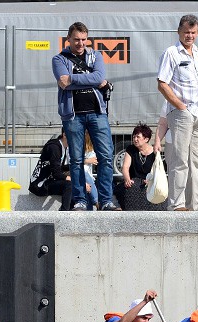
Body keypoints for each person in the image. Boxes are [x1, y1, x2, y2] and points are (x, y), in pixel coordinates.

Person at [52, 22, 118, 211]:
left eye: (83, 39)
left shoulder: (95, 55)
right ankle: (80, 200)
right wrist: (92, 81)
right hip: (73, 116)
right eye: (76, 40)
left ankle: (106, 201)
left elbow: (96, 78)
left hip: (97, 113)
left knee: (106, 157)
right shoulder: (59, 59)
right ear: (69, 40)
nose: (80, 43)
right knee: (77, 160)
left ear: (87, 39)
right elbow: (64, 83)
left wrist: (72, 79)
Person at [157, 14, 198, 212]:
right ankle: (177, 203)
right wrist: (180, 106)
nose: (190, 36)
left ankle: (196, 204)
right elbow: (162, 83)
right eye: (186, 32)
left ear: (197, 33)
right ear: (178, 31)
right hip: (182, 113)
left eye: (193, 32)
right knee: (180, 160)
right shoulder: (171, 53)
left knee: (197, 161)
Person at [114, 123, 166, 211]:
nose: (135, 139)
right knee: (128, 189)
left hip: (149, 181)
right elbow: (125, 167)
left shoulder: (154, 152)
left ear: (146, 139)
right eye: (134, 137)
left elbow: (158, 171)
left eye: (138, 137)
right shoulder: (130, 149)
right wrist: (127, 179)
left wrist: (150, 180)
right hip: (134, 180)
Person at [28, 131, 73, 211]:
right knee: (68, 185)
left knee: (75, 187)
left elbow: (59, 168)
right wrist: (70, 178)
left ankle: (73, 209)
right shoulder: (54, 147)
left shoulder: (64, 148)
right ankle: (64, 213)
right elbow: (56, 173)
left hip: (50, 181)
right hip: (39, 184)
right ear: (65, 135)